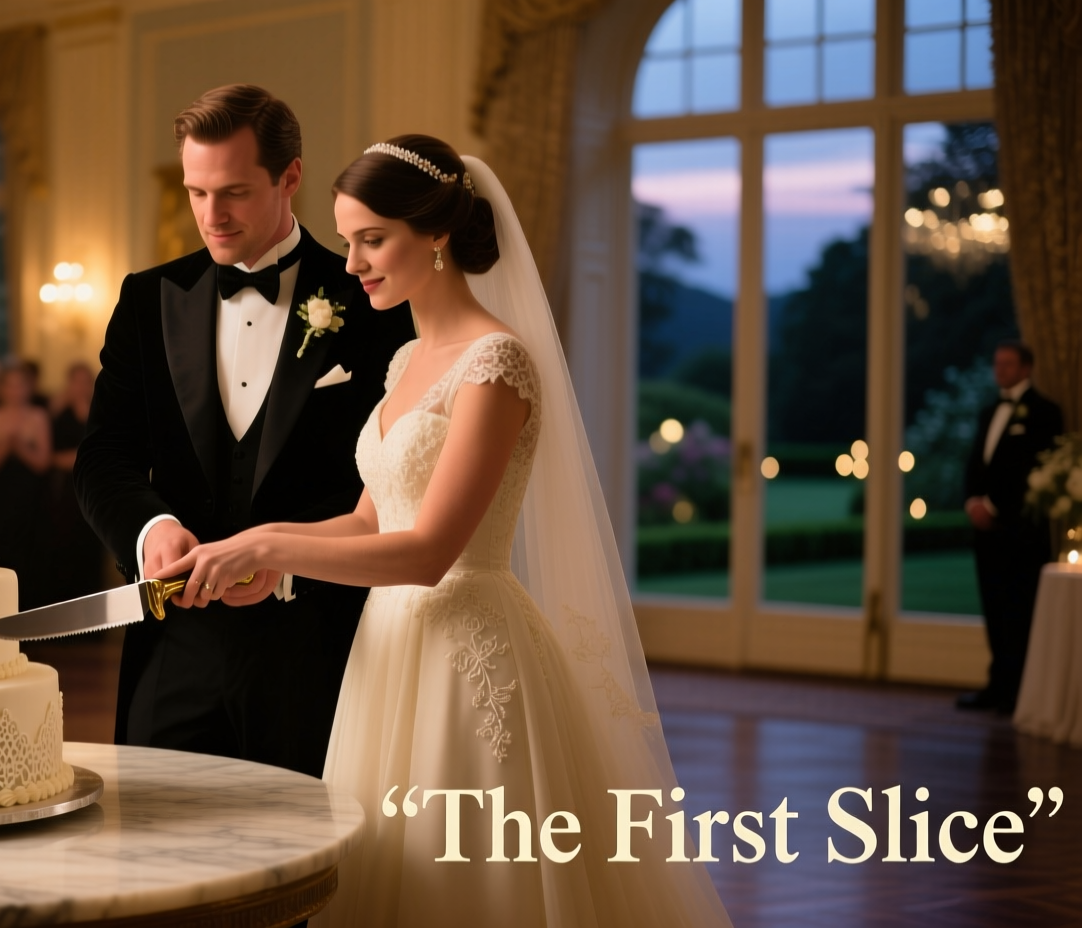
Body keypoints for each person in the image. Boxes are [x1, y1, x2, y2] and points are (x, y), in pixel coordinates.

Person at [164, 137, 731, 926]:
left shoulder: (496, 364)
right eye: (348, 239)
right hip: (387, 649)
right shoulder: (406, 361)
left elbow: (431, 552)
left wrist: (266, 546)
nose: (353, 263)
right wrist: (259, 555)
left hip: (468, 655)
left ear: (435, 233)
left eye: (372, 239)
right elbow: (369, 520)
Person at [74, 84, 416, 776]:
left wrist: (286, 559)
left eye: (233, 192)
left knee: (313, 837)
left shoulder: (374, 298)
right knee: (155, 831)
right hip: (172, 648)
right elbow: (104, 457)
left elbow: (391, 479)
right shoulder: (146, 299)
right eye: (196, 193)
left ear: (290, 177)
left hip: (317, 646)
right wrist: (150, 529)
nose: (211, 216)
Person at [958, 341, 1064, 712]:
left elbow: (1033, 471)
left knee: (1019, 608)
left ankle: (1019, 691)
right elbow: (977, 462)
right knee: (992, 606)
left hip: (1019, 532)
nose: (999, 370)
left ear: (1026, 368)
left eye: (1007, 364)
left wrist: (995, 507)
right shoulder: (989, 411)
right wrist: (972, 500)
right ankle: (997, 684)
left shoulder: (1045, 412)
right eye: (997, 363)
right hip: (985, 532)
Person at [0, 363, 52, 609]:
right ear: (2, 389)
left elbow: (43, 462)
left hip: (32, 497)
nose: (15, 391)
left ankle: (32, 607)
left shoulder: (38, 416)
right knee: (2, 550)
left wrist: (21, 447)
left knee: (32, 552)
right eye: (10, 385)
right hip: (2, 497)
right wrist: (6, 445)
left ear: (28, 388)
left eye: (20, 385)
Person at [49, 361, 105, 601]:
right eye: (77, 381)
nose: (81, 386)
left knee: (92, 547)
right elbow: (50, 455)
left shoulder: (101, 413)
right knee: (66, 546)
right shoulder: (59, 415)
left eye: (86, 381)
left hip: (95, 490)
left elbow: (105, 451)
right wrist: (81, 457)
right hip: (67, 492)